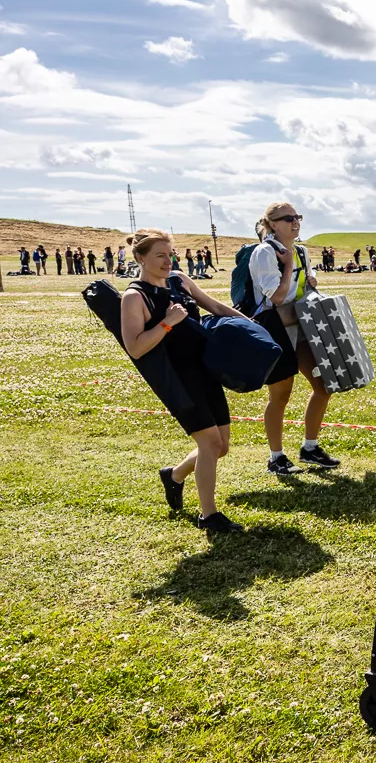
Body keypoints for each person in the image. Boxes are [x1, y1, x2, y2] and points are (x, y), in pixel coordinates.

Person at [119, 229, 247, 532]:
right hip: (177, 379)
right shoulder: (134, 297)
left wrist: (250, 324)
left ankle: (174, 475)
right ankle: (209, 515)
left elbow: (215, 306)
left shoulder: (179, 280)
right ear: (140, 258)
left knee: (221, 446)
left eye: (170, 254)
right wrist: (167, 323)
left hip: (206, 371)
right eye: (160, 256)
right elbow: (135, 347)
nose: (168, 261)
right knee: (210, 443)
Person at [245, 201, 341, 475]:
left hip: (301, 326)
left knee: (324, 386)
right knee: (281, 394)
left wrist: (310, 281)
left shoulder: (301, 251)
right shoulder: (264, 252)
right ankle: (276, 457)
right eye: (288, 218)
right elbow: (276, 296)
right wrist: (288, 267)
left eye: (297, 216)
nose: (295, 222)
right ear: (272, 224)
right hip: (274, 328)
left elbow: (301, 290)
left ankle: (310, 448)